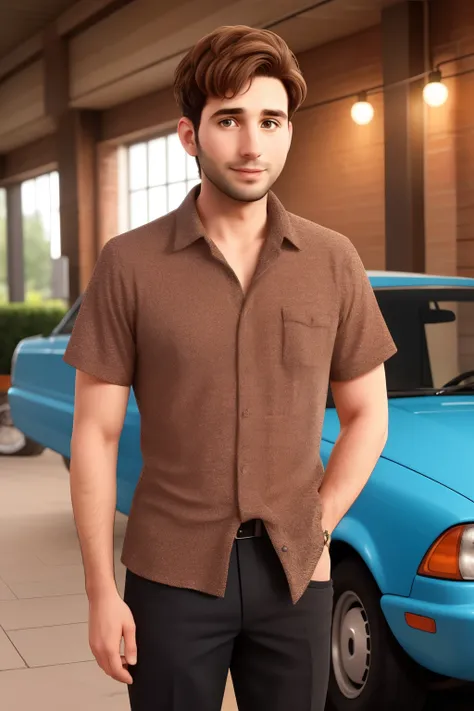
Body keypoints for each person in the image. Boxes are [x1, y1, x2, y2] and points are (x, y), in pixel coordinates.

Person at [63, 24, 397, 711]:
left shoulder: (334, 261)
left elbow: (367, 414)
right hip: (168, 574)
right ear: (190, 134)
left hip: (297, 579)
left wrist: (321, 520)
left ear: (288, 130)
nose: (252, 144)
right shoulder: (129, 264)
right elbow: (93, 435)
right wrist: (100, 587)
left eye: (270, 120)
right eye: (229, 120)